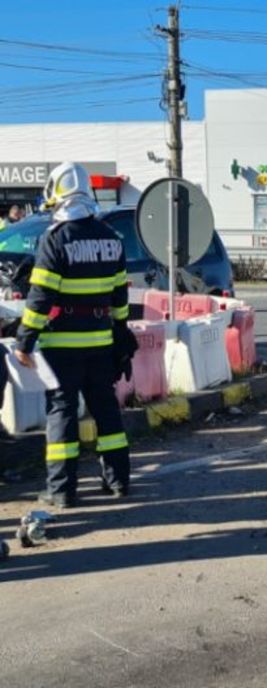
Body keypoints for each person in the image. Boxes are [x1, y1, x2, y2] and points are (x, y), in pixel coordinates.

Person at [12, 162, 134, 508]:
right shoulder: (111, 238)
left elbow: (40, 297)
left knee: (62, 415)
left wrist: (25, 340)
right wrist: (120, 333)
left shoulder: (55, 239)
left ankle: (62, 490)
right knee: (106, 411)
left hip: (62, 345)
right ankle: (118, 481)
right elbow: (119, 298)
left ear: (57, 193)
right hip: (100, 342)